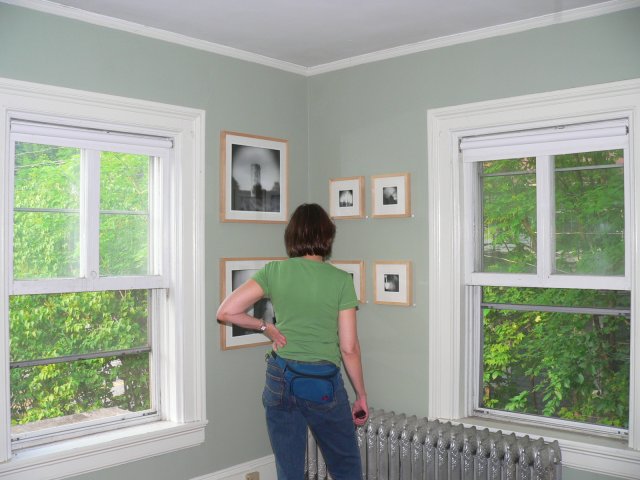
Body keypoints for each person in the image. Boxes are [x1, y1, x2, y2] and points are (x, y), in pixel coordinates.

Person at [217, 203, 368, 480]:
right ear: (328, 236)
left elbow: (226, 311)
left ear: (292, 235)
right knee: (346, 469)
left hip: (280, 376)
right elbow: (349, 348)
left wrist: (265, 327)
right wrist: (361, 396)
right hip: (322, 382)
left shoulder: (274, 271)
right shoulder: (340, 280)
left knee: (289, 470)